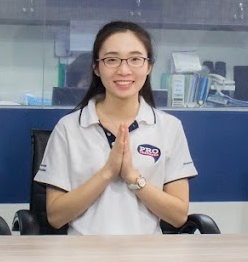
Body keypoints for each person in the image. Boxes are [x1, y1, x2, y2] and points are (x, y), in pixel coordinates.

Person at [37, 21, 196, 234]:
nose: (123, 69)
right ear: (96, 67)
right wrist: (107, 173)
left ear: (149, 66)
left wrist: (133, 177)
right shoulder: (69, 128)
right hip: (82, 256)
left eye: (135, 59)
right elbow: (56, 217)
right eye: (112, 60)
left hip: (148, 257)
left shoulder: (169, 127)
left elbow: (178, 216)